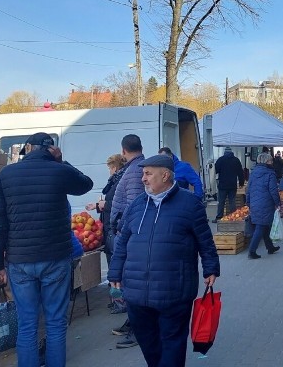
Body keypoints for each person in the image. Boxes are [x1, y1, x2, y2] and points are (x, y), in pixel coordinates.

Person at [0, 132, 93, 367]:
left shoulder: (6, 174)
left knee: (27, 324)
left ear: (27, 148)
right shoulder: (60, 171)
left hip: (20, 260)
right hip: (55, 258)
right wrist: (62, 161)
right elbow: (86, 184)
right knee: (55, 323)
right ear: (52, 151)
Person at [108, 155, 220, 367]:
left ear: (165, 175)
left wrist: (211, 268)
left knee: (173, 343)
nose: (143, 178)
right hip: (137, 292)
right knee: (148, 341)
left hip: (174, 291)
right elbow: (122, 241)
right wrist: (115, 272)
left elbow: (205, 241)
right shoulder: (137, 205)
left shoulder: (190, 204)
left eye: (148, 173)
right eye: (143, 173)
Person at [109, 134, 146, 348]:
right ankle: (133, 322)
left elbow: (134, 207)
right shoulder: (137, 168)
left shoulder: (134, 171)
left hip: (130, 237)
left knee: (132, 285)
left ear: (124, 151)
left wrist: (124, 231)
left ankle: (137, 328)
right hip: (127, 235)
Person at [86, 153, 127, 267]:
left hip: (113, 225)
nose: (109, 171)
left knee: (114, 257)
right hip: (111, 224)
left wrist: (102, 204)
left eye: (109, 168)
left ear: (114, 167)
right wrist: (98, 205)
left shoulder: (119, 182)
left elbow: (118, 204)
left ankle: (115, 283)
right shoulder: (117, 180)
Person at [246, 152, 281, 258]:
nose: (272, 162)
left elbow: (248, 188)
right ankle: (252, 251)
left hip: (255, 203)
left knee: (265, 225)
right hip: (266, 203)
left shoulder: (254, 172)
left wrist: (248, 202)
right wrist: (277, 203)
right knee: (261, 226)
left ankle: (270, 247)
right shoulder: (270, 173)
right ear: (266, 161)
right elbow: (273, 190)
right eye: (270, 160)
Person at [214, 146, 245, 222]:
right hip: (232, 185)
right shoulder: (236, 160)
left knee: (221, 202)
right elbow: (240, 173)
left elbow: (215, 170)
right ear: (232, 152)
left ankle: (219, 217)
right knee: (232, 201)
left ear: (225, 152)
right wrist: (241, 183)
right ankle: (233, 217)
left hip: (222, 185)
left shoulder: (220, 160)